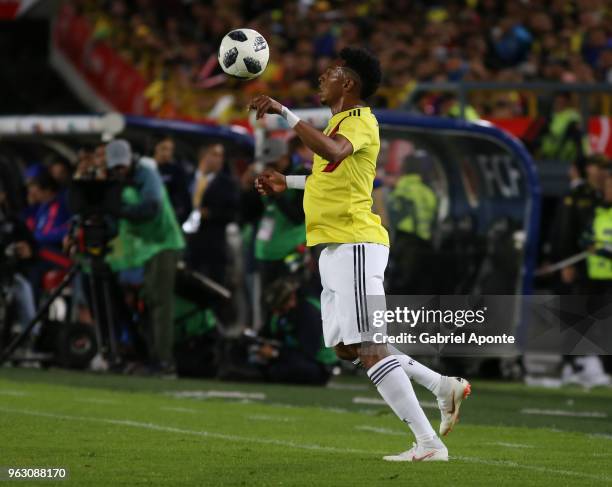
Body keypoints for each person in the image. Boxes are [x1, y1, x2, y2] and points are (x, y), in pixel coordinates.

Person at [249, 47, 470, 462]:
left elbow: (333, 154)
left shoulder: (360, 120)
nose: (321, 78)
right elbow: (330, 176)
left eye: (329, 73)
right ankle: (443, 386)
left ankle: (428, 444)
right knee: (349, 349)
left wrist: (285, 112)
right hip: (333, 248)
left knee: (369, 347)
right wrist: (289, 182)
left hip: (354, 243)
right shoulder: (338, 123)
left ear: (347, 83)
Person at [105, 139, 185, 376]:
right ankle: (150, 355)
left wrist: (119, 210)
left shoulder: (146, 174)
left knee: (160, 303)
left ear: (130, 160)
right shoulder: (123, 179)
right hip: (148, 247)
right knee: (149, 301)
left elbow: (152, 207)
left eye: (122, 166)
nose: (119, 170)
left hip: (165, 243)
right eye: (115, 167)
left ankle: (164, 362)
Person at [187, 143, 239, 286]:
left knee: (215, 288)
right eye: (215, 154)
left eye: (221, 156)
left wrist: (211, 214)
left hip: (214, 246)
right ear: (203, 156)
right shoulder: (188, 178)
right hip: (189, 245)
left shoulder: (227, 184)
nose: (219, 159)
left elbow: (233, 213)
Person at [153, 135, 191, 224]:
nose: (167, 153)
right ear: (155, 147)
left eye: (170, 150)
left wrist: (177, 221)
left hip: (167, 221)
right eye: (164, 148)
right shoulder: (146, 167)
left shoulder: (177, 171)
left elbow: (186, 201)